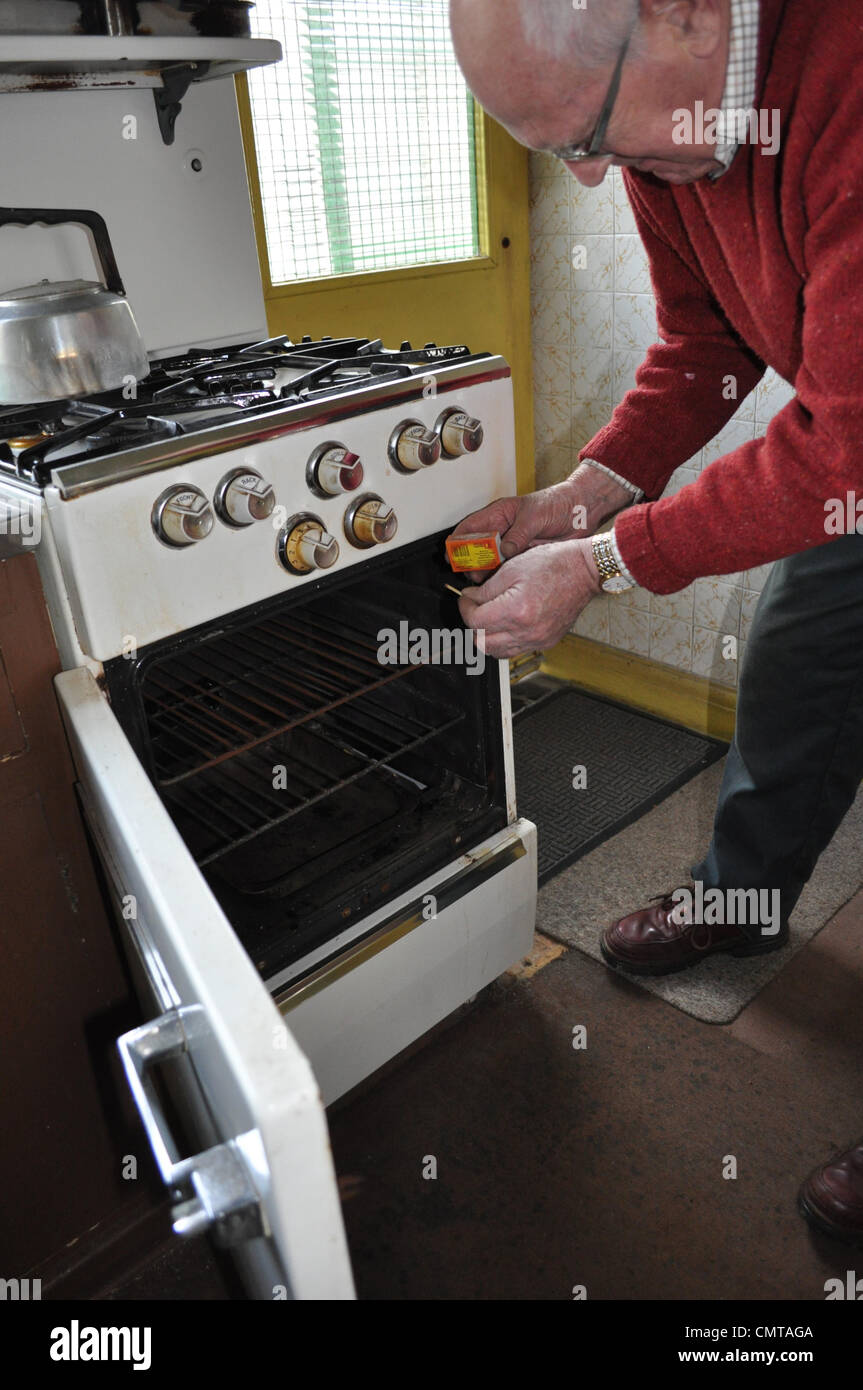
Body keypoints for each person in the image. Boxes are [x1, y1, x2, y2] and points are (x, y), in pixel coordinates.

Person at [447, 0, 863, 1247]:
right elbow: (704, 345)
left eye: (581, 130)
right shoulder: (665, 130)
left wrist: (606, 563)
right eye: (554, 152)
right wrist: (587, 493)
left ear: (683, 12)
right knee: (799, 660)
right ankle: (738, 901)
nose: (580, 175)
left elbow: (846, 433)